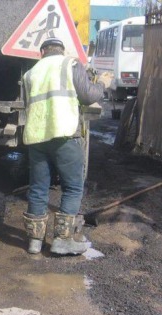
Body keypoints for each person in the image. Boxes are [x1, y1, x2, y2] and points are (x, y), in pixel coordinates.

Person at [22, 38, 113, 255]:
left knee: (38, 187)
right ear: (62, 51)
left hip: (36, 137)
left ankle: (35, 242)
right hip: (64, 135)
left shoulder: (30, 73)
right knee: (72, 187)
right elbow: (88, 96)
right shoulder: (70, 64)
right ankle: (62, 240)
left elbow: (28, 105)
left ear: (42, 52)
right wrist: (102, 84)